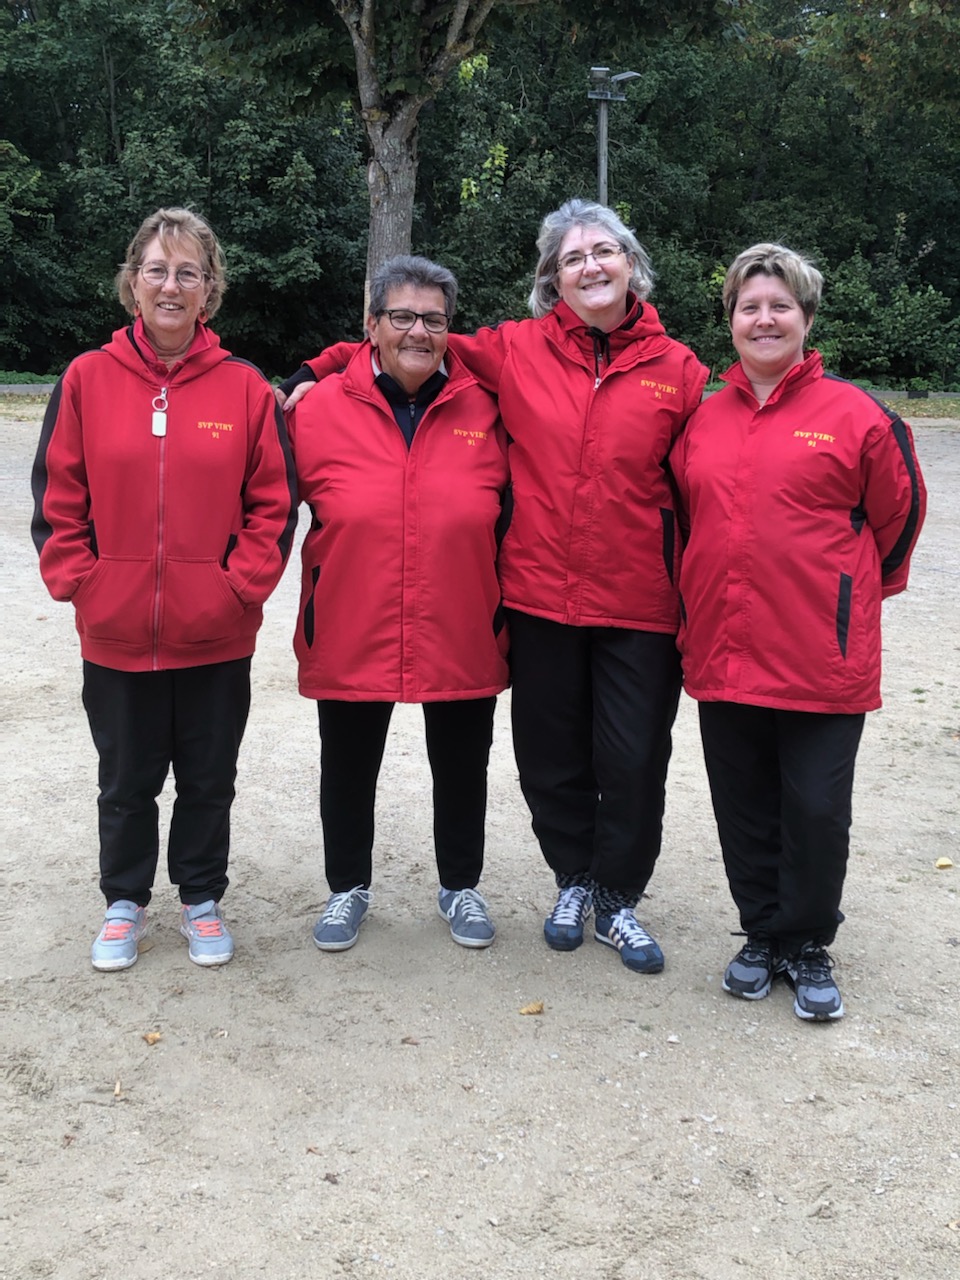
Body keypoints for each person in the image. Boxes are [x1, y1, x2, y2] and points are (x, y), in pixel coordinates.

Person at [279, 200, 708, 973]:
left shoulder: (679, 370)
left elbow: (707, 483)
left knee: (630, 757)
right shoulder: (517, 351)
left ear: (630, 262)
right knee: (546, 758)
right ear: (552, 278)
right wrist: (314, 369)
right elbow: (406, 335)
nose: (590, 267)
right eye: (573, 258)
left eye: (603, 252)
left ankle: (611, 896)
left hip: (632, 600)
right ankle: (568, 879)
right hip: (539, 598)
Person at [31, 207, 298, 972]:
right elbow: (57, 493)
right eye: (158, 270)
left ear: (209, 290)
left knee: (209, 780)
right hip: (115, 633)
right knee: (125, 780)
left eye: (189, 272)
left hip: (214, 634)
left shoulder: (245, 389)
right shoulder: (85, 379)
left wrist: (235, 591)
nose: (172, 285)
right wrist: (84, 585)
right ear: (133, 284)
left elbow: (273, 506)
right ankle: (124, 902)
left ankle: (201, 899)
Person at [670, 242, 926, 1021]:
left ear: (807, 318)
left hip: (821, 654)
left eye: (781, 305)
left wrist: (847, 598)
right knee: (742, 803)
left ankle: (807, 941)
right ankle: (760, 934)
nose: (765, 318)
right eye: (750, 306)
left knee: (814, 807)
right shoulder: (703, 419)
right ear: (732, 322)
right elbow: (684, 520)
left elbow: (900, 517)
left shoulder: (858, 416)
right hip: (725, 646)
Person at [287, 255, 509, 952]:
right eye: (403, 317)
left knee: (463, 761)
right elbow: (259, 505)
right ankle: (347, 886)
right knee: (347, 762)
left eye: (434, 319)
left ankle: (460, 885)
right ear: (372, 325)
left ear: (450, 328)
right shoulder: (314, 408)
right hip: (353, 617)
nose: (419, 331)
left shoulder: (492, 407)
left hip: (464, 618)